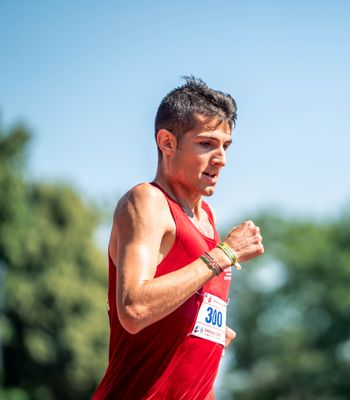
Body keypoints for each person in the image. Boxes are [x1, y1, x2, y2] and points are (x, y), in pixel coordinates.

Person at [93, 77, 264, 399]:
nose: (221, 158)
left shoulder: (208, 219)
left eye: (225, 146)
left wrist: (205, 338)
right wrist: (224, 253)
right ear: (167, 142)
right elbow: (134, 308)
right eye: (206, 144)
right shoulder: (147, 201)